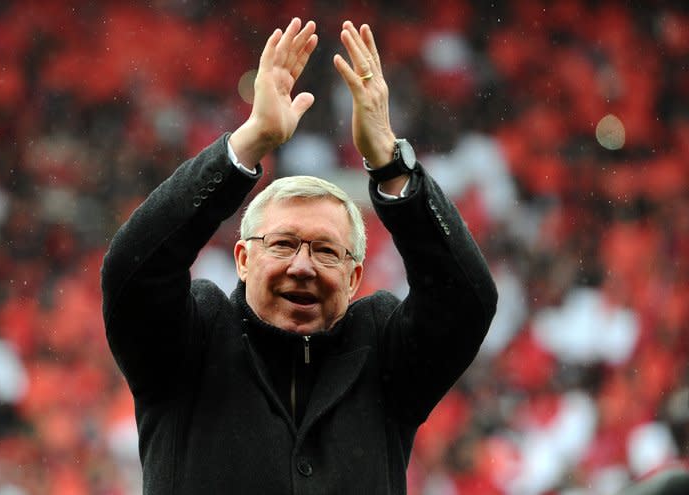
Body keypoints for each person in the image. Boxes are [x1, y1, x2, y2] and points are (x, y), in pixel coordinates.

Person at [101, 18, 497, 494]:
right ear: (243, 259)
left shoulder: (382, 353)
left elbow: (466, 303)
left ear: (354, 279)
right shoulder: (191, 342)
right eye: (283, 244)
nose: (302, 265)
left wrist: (392, 166)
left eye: (327, 251)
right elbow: (133, 271)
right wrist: (250, 142)